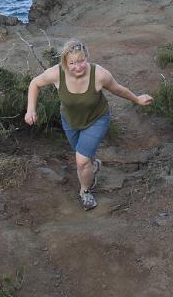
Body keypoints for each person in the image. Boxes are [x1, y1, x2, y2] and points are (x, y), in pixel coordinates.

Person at [25, 39, 153, 210]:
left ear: (87, 58)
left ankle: (85, 191)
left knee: (81, 161)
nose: (78, 67)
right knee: (85, 158)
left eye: (81, 61)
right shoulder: (56, 73)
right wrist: (31, 109)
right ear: (64, 62)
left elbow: (118, 89)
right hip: (70, 121)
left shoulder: (99, 74)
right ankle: (94, 166)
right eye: (72, 63)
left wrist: (137, 99)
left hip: (97, 120)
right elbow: (35, 83)